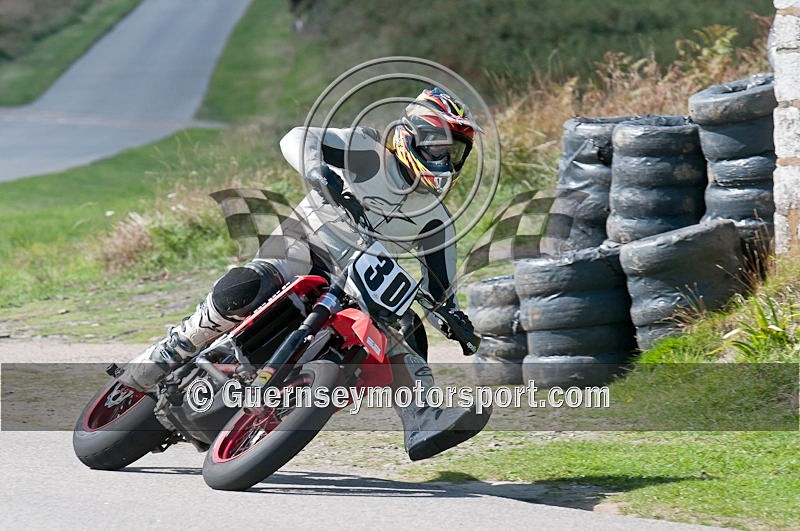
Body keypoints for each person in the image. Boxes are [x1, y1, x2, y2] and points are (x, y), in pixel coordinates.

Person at [119, 87, 490, 461]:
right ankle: (165, 354)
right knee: (245, 288)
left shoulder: (437, 219)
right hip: (301, 248)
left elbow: (440, 288)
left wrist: (453, 318)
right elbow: (298, 137)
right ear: (411, 133)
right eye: (438, 146)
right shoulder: (366, 151)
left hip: (355, 284)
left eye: (453, 152)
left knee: (407, 325)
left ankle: (422, 420)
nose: (445, 158)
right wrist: (319, 173)